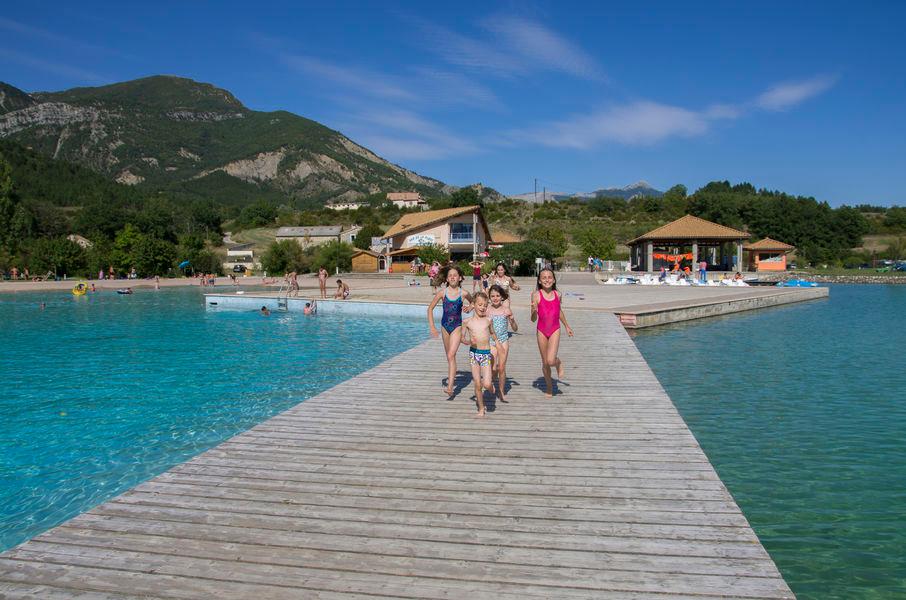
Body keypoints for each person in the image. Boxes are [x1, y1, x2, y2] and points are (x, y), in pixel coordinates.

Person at [427, 265, 471, 397]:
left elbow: (474, 301)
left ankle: (450, 386)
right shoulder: (442, 293)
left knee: (451, 355)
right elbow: (430, 309)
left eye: (455, 275)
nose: (452, 277)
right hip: (444, 327)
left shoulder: (463, 293)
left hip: (457, 326)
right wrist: (432, 327)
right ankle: (451, 380)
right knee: (449, 357)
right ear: (446, 278)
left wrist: (470, 307)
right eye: (450, 275)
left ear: (460, 278)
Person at [531, 268, 574, 397]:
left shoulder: (558, 294)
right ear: (539, 281)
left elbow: (558, 311)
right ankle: (549, 387)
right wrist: (533, 310)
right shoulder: (536, 295)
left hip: (555, 329)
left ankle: (558, 363)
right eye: (544, 277)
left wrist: (567, 326)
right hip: (541, 330)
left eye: (549, 277)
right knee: (545, 362)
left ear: (554, 279)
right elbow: (533, 319)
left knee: (551, 360)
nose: (547, 280)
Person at [461, 291, 498, 417]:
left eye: (485, 305)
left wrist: (497, 344)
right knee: (477, 384)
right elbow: (462, 338)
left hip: (485, 354)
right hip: (474, 355)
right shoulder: (467, 322)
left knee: (486, 383)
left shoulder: (488, 320)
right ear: (473, 305)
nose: (483, 307)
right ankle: (481, 408)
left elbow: (492, 333)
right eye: (480, 304)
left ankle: (491, 387)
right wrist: (468, 341)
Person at [487, 285, 515, 402]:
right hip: (492, 341)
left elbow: (515, 328)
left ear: (502, 297)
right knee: (493, 368)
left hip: (503, 340)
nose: (495, 298)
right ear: (489, 297)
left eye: (498, 296)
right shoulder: (487, 309)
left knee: (501, 368)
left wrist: (512, 320)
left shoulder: (506, 310)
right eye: (492, 296)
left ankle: (502, 391)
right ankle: (493, 379)